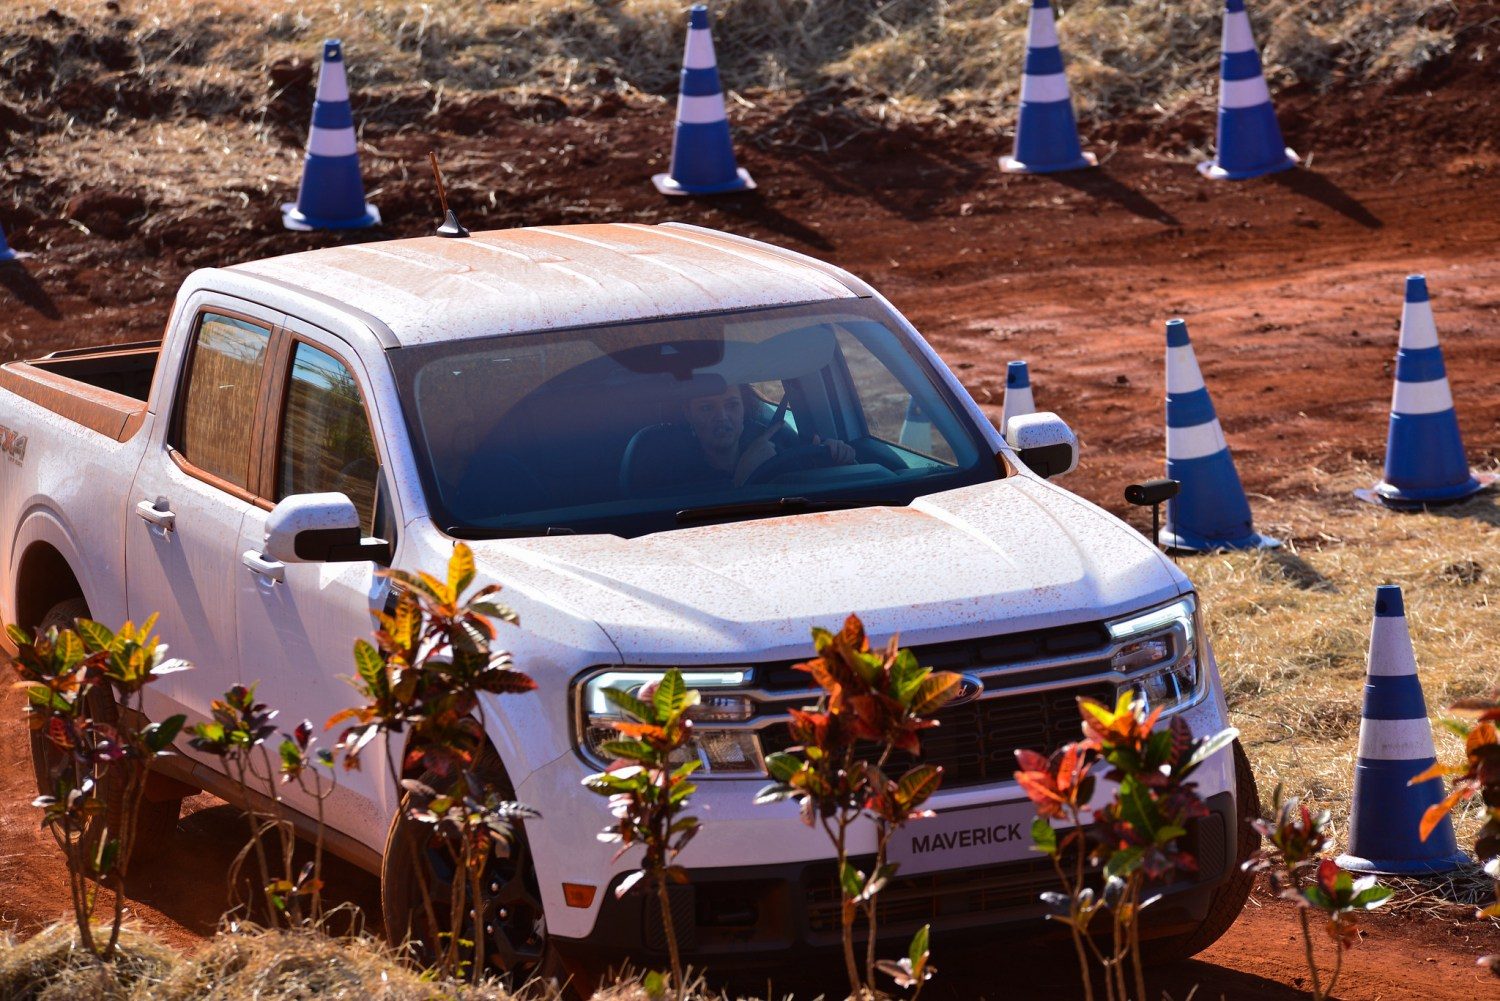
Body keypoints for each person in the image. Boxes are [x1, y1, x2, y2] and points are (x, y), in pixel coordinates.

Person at [628, 384, 856, 491]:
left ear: (744, 410)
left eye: (732, 405)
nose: (722, 417)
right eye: (707, 408)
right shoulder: (669, 472)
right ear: (688, 414)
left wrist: (833, 459)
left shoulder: (782, 451)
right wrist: (747, 471)